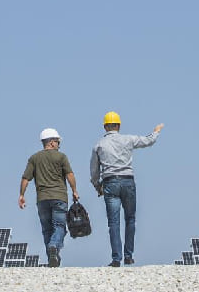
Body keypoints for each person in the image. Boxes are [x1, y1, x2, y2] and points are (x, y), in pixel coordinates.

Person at [89, 111, 163, 267]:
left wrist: (97, 186)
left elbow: (94, 171)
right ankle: (129, 256)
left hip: (110, 184)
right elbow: (148, 141)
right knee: (130, 219)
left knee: (113, 223)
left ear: (105, 127)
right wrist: (156, 131)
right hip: (128, 182)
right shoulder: (128, 139)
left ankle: (116, 259)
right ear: (119, 125)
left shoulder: (99, 145)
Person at [20, 128, 79, 267]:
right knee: (60, 227)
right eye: (58, 142)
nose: (59, 145)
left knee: (47, 229)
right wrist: (75, 190)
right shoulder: (61, 157)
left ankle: (52, 259)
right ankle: (53, 246)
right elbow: (70, 175)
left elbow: (25, 178)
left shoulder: (34, 158)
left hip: (42, 199)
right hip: (59, 197)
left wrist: (21, 195)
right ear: (52, 142)